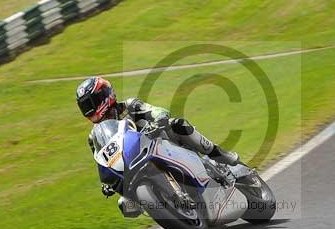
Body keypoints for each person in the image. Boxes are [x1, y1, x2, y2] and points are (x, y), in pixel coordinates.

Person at [77, 76, 240, 195]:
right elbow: (102, 162)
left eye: (90, 103)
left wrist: (159, 119)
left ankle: (220, 155)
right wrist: (108, 182)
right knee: (124, 203)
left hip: (161, 144)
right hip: (134, 164)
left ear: (105, 95)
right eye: (84, 106)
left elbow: (157, 111)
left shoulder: (129, 106)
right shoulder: (94, 137)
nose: (89, 110)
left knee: (179, 125)